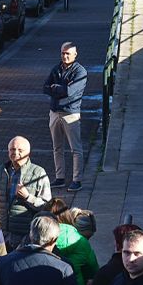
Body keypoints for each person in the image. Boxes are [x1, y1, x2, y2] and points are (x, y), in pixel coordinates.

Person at [0, 136, 52, 250]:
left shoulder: (38, 173)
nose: (15, 152)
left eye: (20, 150)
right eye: (12, 149)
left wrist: (28, 197)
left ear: (28, 153)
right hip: (2, 234)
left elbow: (47, 206)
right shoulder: (1, 170)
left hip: (26, 236)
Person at [43, 42, 89, 191]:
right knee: (57, 147)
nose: (65, 56)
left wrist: (56, 88)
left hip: (71, 114)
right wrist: (60, 89)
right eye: (63, 53)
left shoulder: (80, 72)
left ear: (75, 54)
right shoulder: (56, 69)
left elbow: (70, 92)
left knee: (75, 149)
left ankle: (77, 180)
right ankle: (60, 178)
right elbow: (45, 87)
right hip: (54, 112)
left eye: (68, 53)